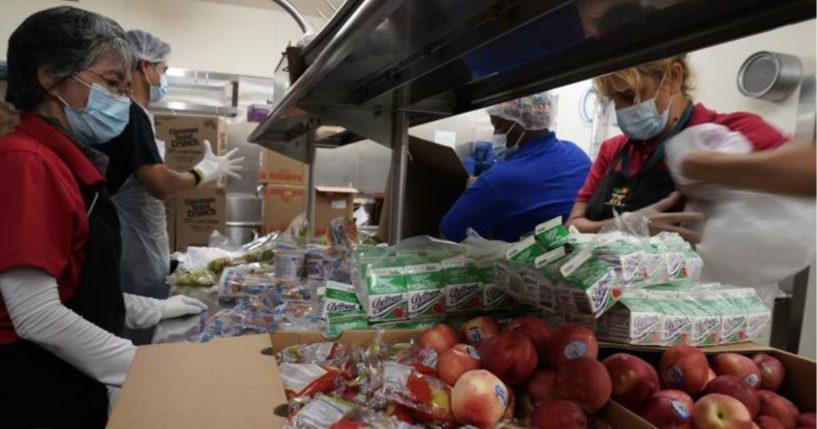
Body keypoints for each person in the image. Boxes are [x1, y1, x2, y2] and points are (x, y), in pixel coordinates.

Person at [0, 8, 205, 428]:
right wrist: (147, 371)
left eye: (127, 89)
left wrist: (153, 310)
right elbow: (36, 315)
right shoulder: (27, 161)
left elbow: (75, 288)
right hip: (34, 392)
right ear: (49, 76)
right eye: (112, 84)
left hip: (68, 382)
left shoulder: (68, 163)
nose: (123, 102)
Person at [98, 30, 244, 313]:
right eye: (163, 70)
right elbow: (160, 183)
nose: (163, 78)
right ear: (146, 67)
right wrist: (202, 173)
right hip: (132, 248)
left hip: (140, 243)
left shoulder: (135, 115)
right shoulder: (132, 114)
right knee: (138, 325)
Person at [566, 55, 790, 239]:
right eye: (613, 100)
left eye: (629, 95)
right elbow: (573, 226)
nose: (621, 110)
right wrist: (626, 226)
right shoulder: (613, 150)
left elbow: (807, 170)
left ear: (673, 78)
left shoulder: (728, 133)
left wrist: (707, 166)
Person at [440, 93, 591, 242]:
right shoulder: (577, 154)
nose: (496, 134)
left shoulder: (502, 179)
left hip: (527, 265)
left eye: (498, 126)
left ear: (522, 123)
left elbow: (448, 235)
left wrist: (482, 189)